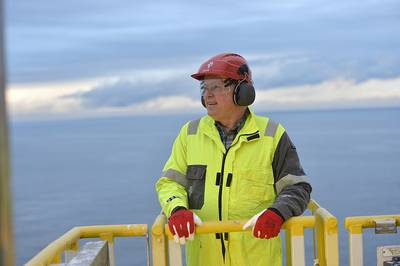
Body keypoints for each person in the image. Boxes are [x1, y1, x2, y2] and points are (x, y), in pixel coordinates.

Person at [156, 53, 312, 266]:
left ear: (242, 91)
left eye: (216, 87)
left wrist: (277, 212)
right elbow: (170, 183)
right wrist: (177, 209)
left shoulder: (272, 134)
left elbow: (297, 187)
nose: (207, 96)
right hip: (204, 261)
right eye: (204, 88)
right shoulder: (189, 134)